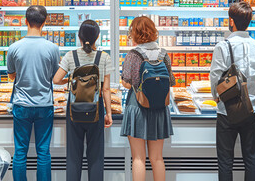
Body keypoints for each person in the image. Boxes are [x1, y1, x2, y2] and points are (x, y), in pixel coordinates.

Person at [52, 20, 114, 181]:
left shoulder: (70, 56)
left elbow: (56, 79)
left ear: (79, 36)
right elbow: (106, 89)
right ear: (97, 37)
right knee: (96, 157)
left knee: (73, 156)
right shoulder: (104, 57)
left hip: (74, 109)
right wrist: (109, 113)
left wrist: (71, 80)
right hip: (96, 109)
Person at [210, 1, 255, 181]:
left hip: (227, 110)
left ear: (231, 21)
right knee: (251, 156)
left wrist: (217, 98)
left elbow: (216, 78)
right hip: (251, 108)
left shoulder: (223, 46)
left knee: (225, 161)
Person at [7, 5, 60, 181]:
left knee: (20, 152)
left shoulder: (14, 47)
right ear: (44, 22)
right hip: (45, 105)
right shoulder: (52, 48)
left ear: (25, 20)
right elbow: (54, 76)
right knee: (43, 152)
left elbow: (11, 75)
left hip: (21, 105)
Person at [120, 16, 175, 181]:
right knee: (157, 158)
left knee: (138, 158)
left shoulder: (133, 55)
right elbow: (170, 81)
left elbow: (127, 84)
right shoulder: (163, 54)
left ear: (134, 33)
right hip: (159, 108)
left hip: (137, 107)